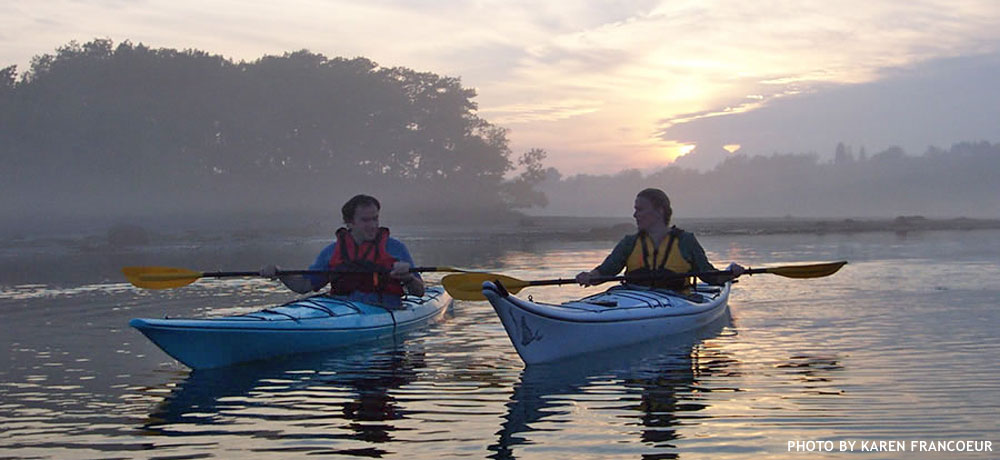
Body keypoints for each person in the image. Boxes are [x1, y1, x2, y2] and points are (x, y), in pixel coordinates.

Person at [261, 194, 425, 308]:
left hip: (387, 308)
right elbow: (304, 285)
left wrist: (409, 278)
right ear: (350, 223)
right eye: (365, 220)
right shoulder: (332, 252)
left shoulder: (395, 248)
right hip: (343, 309)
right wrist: (280, 273)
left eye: (375, 218)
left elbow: (419, 292)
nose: (373, 225)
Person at [575, 188, 744, 290]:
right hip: (632, 296)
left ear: (660, 211)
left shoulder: (686, 241)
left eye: (640, 209)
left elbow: (710, 277)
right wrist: (589, 276)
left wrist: (730, 274)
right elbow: (605, 272)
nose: (635, 215)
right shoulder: (629, 242)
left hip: (676, 299)